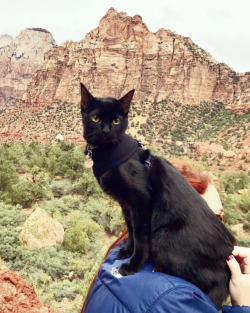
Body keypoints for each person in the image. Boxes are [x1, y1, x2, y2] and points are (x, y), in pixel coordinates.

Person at [81, 161, 250, 313]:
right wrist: (243, 304)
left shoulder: (117, 258)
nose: (219, 231)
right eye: (208, 218)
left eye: (219, 218)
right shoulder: (177, 299)